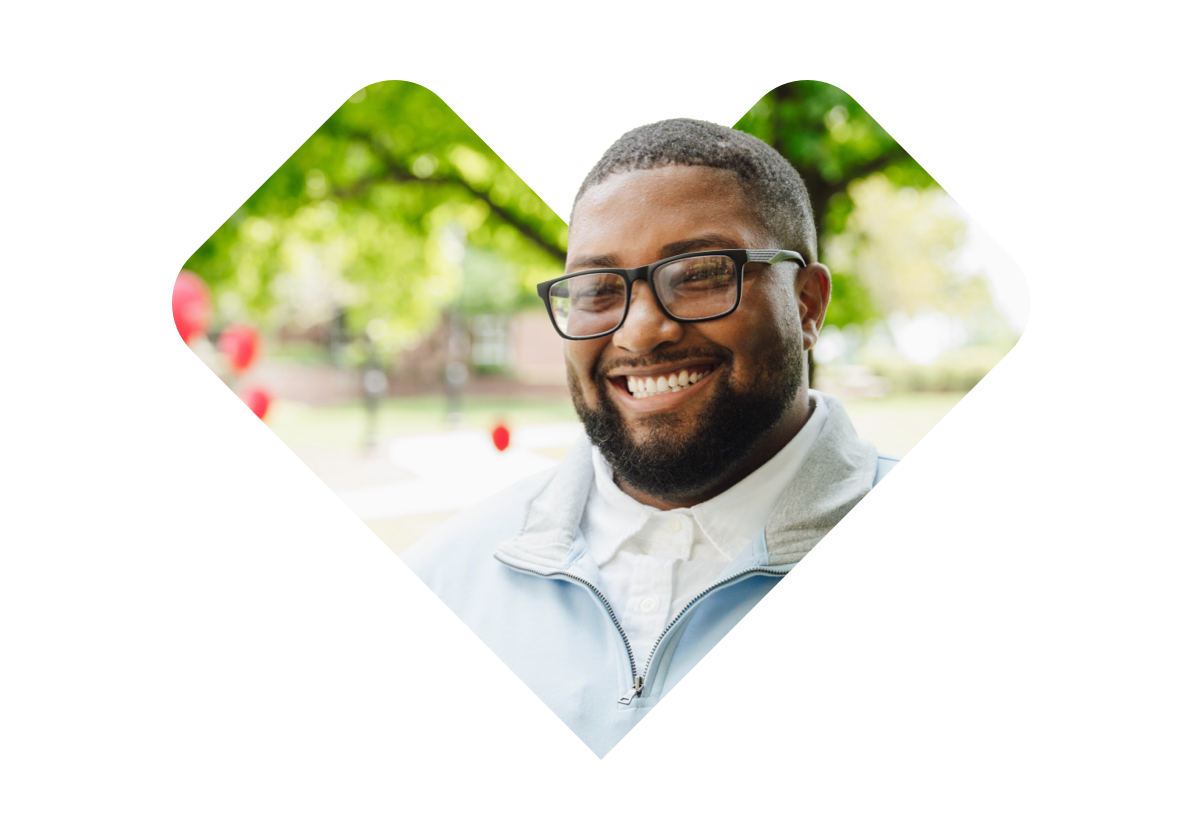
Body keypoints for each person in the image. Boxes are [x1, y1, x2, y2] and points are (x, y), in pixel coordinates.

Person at [406, 118, 898, 757]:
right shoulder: (440, 584)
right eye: (597, 289)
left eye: (699, 274)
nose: (641, 332)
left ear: (807, 304)